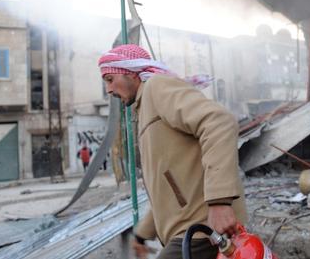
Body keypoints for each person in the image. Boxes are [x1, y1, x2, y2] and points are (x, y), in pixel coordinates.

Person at [98, 44, 246, 259]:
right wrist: (142, 234)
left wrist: (220, 202)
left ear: (131, 73)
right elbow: (170, 183)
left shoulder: (157, 87)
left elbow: (218, 122)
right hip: (188, 230)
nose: (109, 90)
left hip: (202, 229)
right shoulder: (144, 107)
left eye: (110, 80)